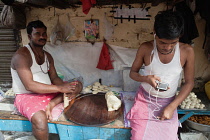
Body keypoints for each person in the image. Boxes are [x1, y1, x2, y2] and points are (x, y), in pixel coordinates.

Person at [127, 11, 194, 140]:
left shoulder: (187, 51)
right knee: (139, 137)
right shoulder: (146, 48)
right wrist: (146, 78)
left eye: (173, 43)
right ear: (154, 33)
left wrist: (172, 106)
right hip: (144, 100)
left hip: (169, 102)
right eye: (162, 42)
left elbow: (189, 82)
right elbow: (133, 73)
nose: (167, 47)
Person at [11, 20, 82, 140]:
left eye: (44, 33)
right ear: (29, 36)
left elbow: (54, 78)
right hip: (27, 96)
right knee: (40, 120)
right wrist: (61, 88)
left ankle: (52, 103)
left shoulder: (47, 56)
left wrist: (68, 87)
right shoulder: (22, 55)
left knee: (78, 85)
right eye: (37, 34)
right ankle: (53, 103)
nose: (42, 37)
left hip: (47, 92)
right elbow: (29, 85)